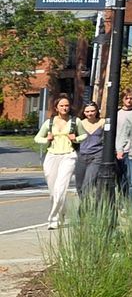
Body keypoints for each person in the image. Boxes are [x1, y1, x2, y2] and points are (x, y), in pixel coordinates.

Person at [33, 96, 80, 228]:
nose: (64, 108)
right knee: (53, 191)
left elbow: (84, 135)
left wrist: (75, 139)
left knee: (61, 187)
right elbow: (37, 138)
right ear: (56, 108)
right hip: (52, 156)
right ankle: (62, 213)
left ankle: (53, 219)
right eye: (61, 105)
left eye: (67, 105)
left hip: (69, 155)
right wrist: (47, 139)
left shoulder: (75, 121)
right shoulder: (49, 122)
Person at [73, 100, 111, 195]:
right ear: (83, 112)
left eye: (92, 111)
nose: (90, 113)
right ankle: (85, 204)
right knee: (79, 186)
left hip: (97, 156)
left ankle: (88, 203)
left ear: (96, 111)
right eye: (87, 111)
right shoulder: (79, 123)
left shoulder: (103, 122)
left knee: (88, 184)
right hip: (82, 156)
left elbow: (108, 137)